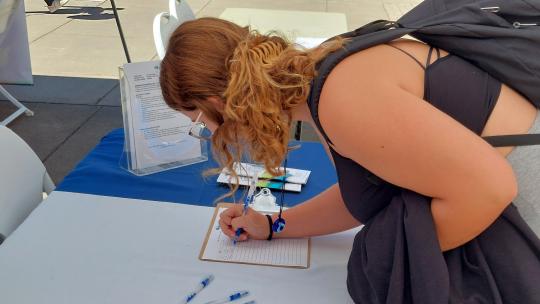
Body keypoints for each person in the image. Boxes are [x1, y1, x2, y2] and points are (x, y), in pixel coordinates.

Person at [159, 17, 540, 303]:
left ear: (217, 103)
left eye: (199, 123)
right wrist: (274, 225)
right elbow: (363, 193)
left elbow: (489, 189)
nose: (209, 134)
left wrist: (388, 258)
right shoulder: (320, 77)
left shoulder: (341, 98)